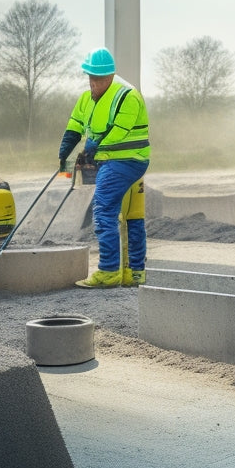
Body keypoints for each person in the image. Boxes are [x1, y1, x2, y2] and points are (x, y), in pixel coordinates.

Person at [58, 47, 150, 288]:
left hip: (128, 161)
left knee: (104, 210)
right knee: (133, 216)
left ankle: (108, 272)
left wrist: (91, 150)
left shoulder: (128, 96)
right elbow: (76, 125)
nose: (93, 83)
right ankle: (134, 273)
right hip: (109, 160)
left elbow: (118, 132)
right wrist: (66, 150)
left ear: (110, 76)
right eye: (90, 77)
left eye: (98, 78)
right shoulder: (86, 98)